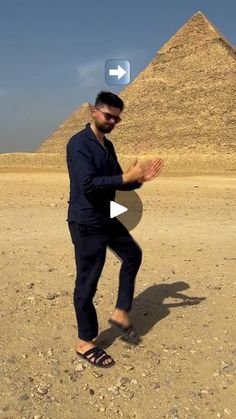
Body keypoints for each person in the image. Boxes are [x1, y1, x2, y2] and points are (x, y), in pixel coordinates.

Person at [66, 91, 164, 368]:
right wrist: (124, 177)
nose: (111, 121)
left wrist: (138, 179)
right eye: (108, 115)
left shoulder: (106, 146)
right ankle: (85, 341)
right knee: (87, 283)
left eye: (117, 119)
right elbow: (88, 184)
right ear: (93, 112)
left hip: (106, 215)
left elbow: (118, 182)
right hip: (86, 221)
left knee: (133, 254)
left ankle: (121, 311)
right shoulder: (78, 144)